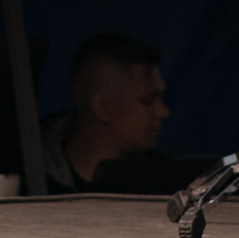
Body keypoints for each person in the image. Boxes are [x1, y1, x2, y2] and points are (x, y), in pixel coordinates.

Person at [41, 35, 175, 194]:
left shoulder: (169, 186)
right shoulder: (25, 181)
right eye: (147, 101)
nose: (163, 112)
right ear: (102, 108)